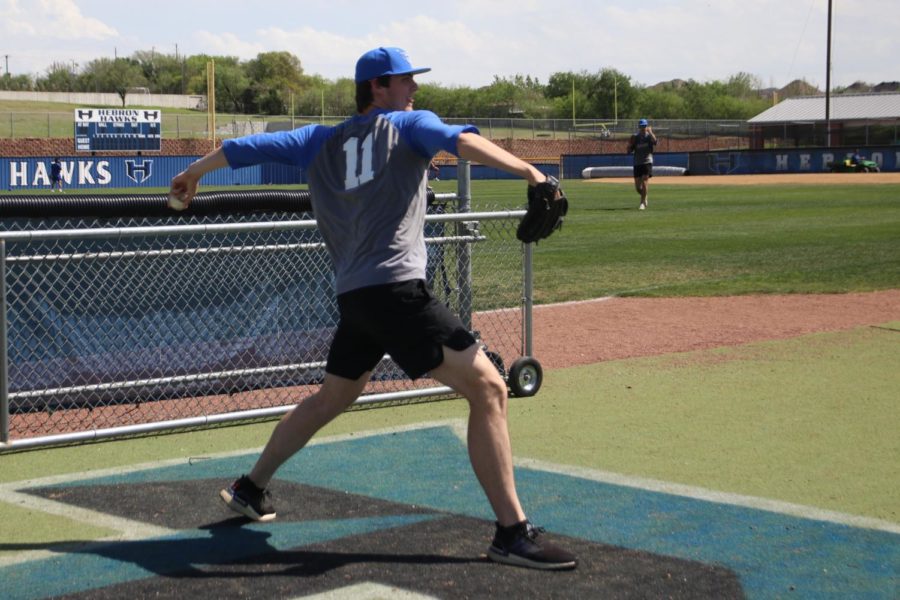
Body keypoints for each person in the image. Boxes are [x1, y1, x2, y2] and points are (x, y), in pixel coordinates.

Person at [168, 46, 576, 571]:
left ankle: (250, 488)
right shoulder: (409, 126)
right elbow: (462, 142)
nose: (415, 90)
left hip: (356, 296)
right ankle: (512, 533)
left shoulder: (317, 139)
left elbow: (243, 148)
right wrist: (533, 174)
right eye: (405, 81)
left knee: (331, 398)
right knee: (490, 387)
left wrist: (194, 174)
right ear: (378, 88)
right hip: (396, 293)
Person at [626, 118, 657, 210]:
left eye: (645, 126)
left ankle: (642, 203)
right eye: (641, 126)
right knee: (638, 188)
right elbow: (629, 151)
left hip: (647, 161)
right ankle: (645, 196)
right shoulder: (635, 137)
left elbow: (655, 142)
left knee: (644, 182)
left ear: (647, 126)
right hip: (637, 163)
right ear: (639, 127)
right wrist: (629, 145)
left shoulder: (649, 137)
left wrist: (651, 132)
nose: (643, 128)